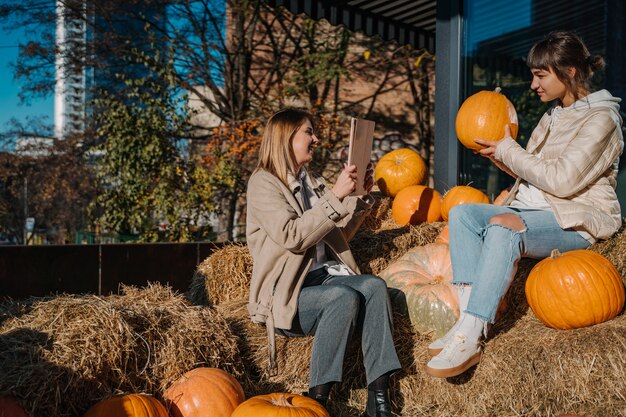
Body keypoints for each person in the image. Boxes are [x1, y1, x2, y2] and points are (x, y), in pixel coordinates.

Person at [426, 30, 624, 378]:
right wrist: (501, 158)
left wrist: (509, 150)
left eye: (540, 74)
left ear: (570, 72)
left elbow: (563, 181)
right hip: (532, 209)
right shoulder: (552, 116)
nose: (534, 85)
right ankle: (468, 319)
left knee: (504, 226)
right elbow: (534, 171)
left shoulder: (602, 120)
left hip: (572, 219)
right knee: (462, 213)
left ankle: (471, 336)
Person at [245, 108, 401, 416]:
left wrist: (360, 199)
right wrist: (334, 195)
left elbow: (334, 232)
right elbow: (292, 236)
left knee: (373, 285)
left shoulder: (310, 181)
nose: (316, 138)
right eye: (309, 132)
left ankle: (379, 400)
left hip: (323, 279)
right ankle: (317, 401)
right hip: (288, 294)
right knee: (341, 297)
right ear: (286, 139)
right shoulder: (263, 184)